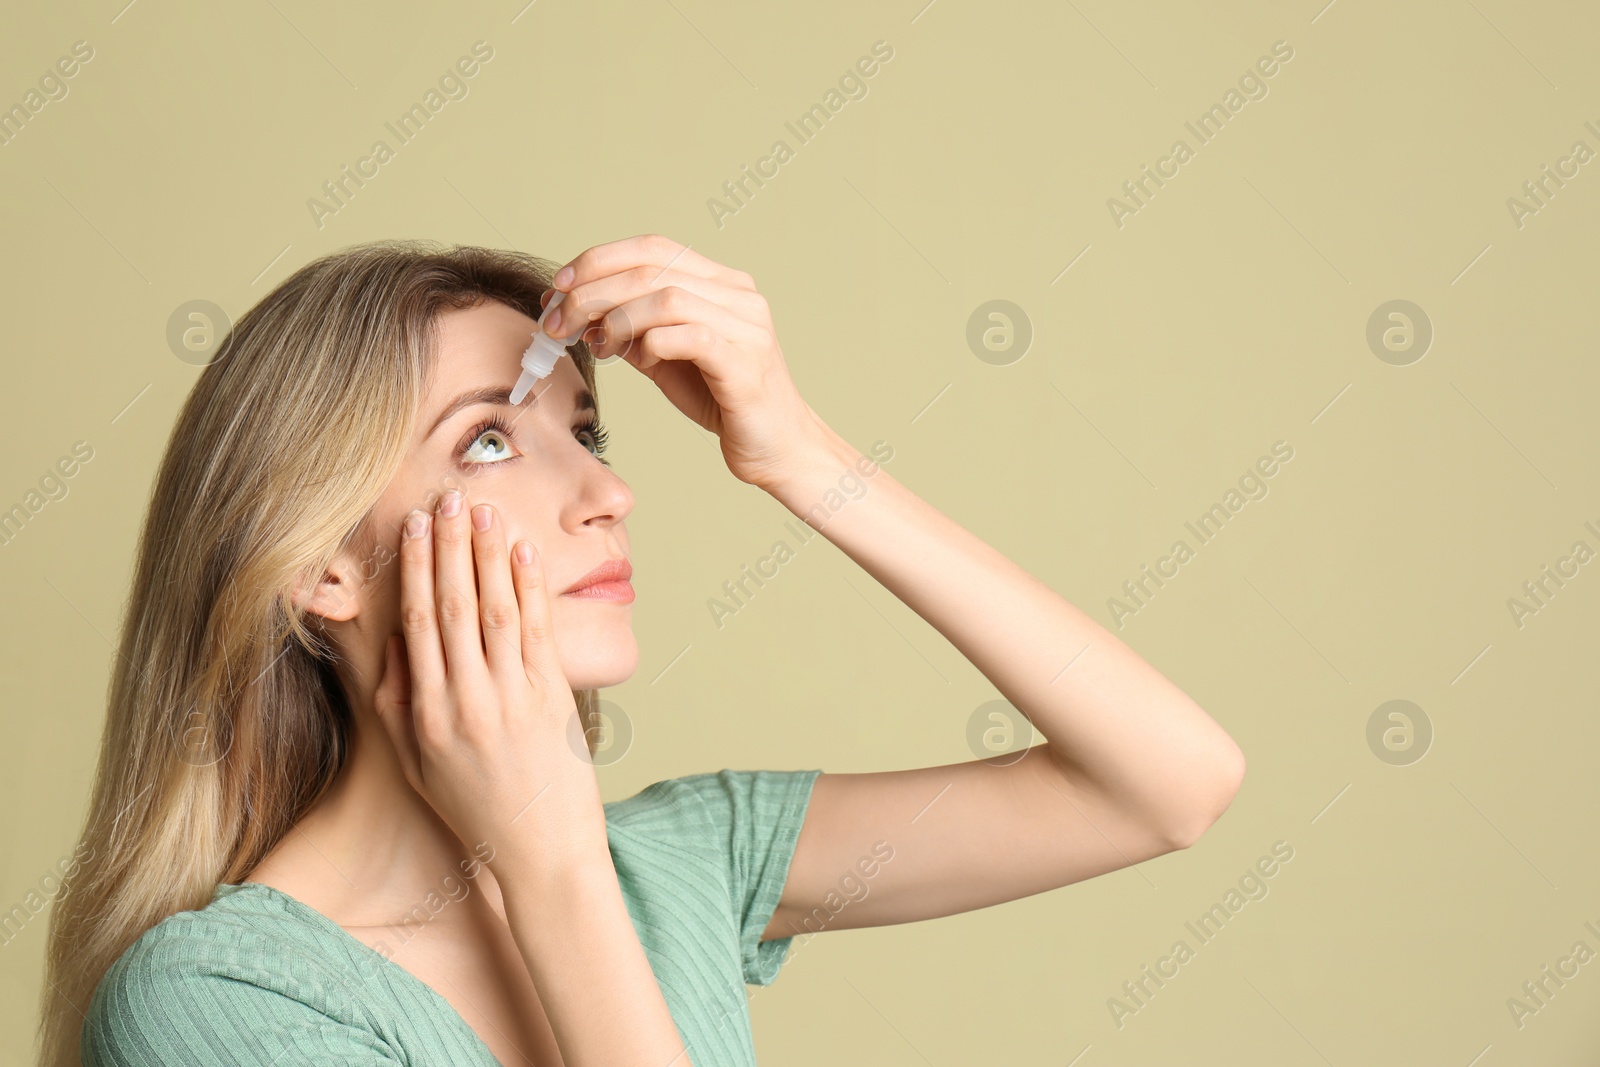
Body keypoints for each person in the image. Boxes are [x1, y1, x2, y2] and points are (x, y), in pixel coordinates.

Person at [39, 234, 1245, 1066]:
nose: (606, 489)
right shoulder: (215, 1000)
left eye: (587, 428)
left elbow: (1166, 781)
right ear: (319, 567)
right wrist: (549, 861)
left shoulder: (680, 864)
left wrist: (802, 457)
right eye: (492, 444)